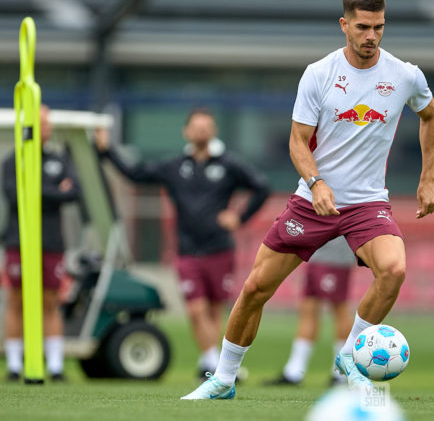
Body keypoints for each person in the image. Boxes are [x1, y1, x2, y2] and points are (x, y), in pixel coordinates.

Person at [181, 0, 434, 400]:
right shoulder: (319, 74)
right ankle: (223, 379)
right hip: (313, 201)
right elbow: (297, 142)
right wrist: (317, 183)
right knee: (255, 289)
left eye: (378, 27)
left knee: (393, 270)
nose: (371, 35)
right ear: (344, 25)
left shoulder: (405, 75)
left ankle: (350, 359)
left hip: (368, 203)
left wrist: (427, 178)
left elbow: (430, 115)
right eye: (362, 27)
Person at [95, 107, 270, 379]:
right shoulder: (174, 167)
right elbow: (134, 173)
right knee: (195, 308)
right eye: (196, 127)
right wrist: (106, 151)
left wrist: (239, 217)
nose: (201, 131)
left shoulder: (228, 165)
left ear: (213, 131)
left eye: (206, 126)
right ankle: (215, 363)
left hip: (219, 249)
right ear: (186, 132)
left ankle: (211, 363)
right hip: (187, 250)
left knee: (214, 309)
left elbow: (262, 186)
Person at [3, 105, 80, 381]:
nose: (46, 129)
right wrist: (52, 192)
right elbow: (16, 196)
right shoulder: (14, 160)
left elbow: (74, 191)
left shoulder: (58, 160)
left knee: (50, 301)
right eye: (41, 124)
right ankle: (13, 365)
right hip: (19, 240)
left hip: (51, 241)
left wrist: (39, 192)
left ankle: (56, 366)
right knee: (17, 301)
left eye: (48, 124)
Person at [264, 236, 355, 387]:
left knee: (339, 307)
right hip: (317, 250)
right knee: (308, 308)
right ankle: (294, 371)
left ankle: (341, 372)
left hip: (334, 251)